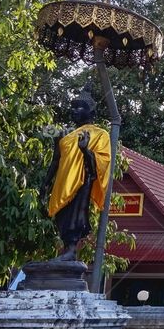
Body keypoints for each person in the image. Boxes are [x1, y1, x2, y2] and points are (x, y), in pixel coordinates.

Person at [42, 84, 112, 261]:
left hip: (82, 180)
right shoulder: (64, 135)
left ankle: (72, 249)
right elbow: (56, 160)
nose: (74, 111)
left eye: (79, 107)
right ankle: (66, 249)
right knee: (61, 217)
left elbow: (101, 162)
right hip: (62, 182)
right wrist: (45, 183)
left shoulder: (99, 134)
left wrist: (85, 150)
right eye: (72, 107)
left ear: (91, 113)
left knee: (75, 214)